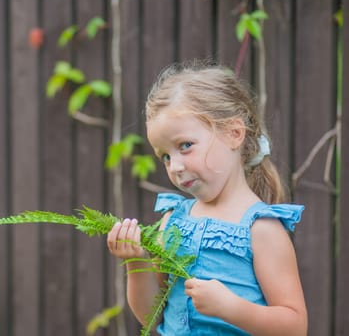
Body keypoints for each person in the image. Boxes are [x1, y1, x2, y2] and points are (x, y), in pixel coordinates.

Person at [107, 62, 308, 335]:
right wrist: (135, 262)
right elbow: (152, 318)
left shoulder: (261, 229)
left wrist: (231, 308)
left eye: (185, 146)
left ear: (234, 133)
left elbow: (295, 326)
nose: (175, 166)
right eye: (165, 156)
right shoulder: (173, 220)